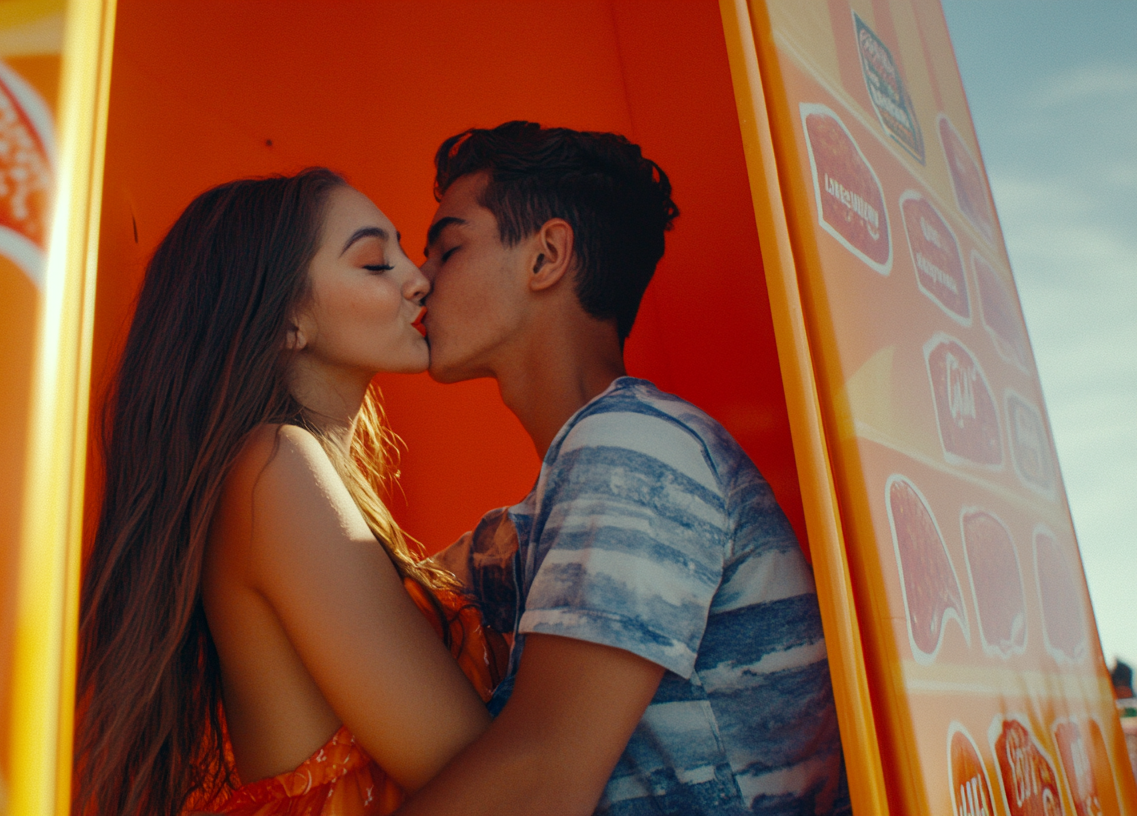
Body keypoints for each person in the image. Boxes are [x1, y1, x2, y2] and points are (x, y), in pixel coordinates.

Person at [399, 122, 848, 815]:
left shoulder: (637, 450)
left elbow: (540, 780)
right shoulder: (559, 502)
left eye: (447, 250)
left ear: (545, 256)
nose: (416, 284)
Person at [74, 168, 506, 816]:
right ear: (286, 323)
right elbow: (488, 783)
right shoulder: (276, 466)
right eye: (372, 262)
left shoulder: (286, 469)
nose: (417, 277)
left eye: (402, 249)